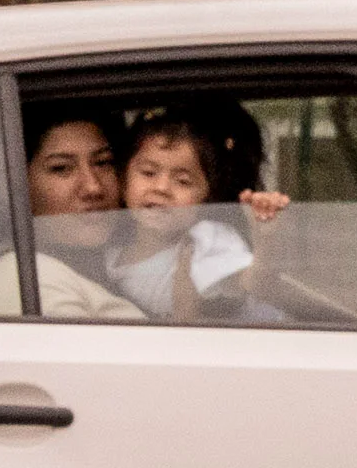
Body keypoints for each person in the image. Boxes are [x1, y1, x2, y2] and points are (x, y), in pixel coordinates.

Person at [101, 98, 294, 320]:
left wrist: (266, 240)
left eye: (183, 181)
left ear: (206, 198)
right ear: (123, 182)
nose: (162, 188)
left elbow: (257, 283)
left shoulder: (207, 240)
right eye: (148, 173)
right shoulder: (111, 258)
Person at [0, 107, 147, 317]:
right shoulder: (24, 281)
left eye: (103, 162)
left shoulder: (116, 265)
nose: (93, 187)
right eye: (61, 168)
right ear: (18, 185)